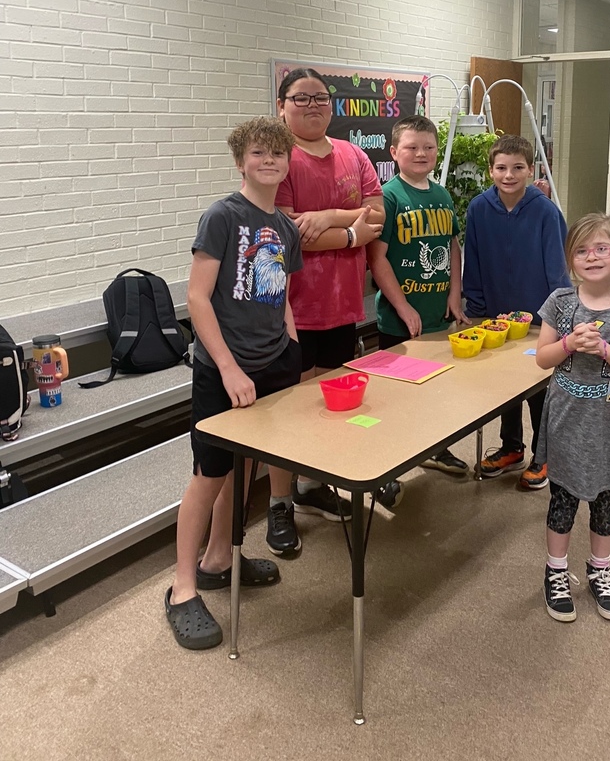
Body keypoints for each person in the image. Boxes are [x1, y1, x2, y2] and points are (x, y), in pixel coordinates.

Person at [165, 117, 303, 651]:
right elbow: (198, 298)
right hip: (224, 369)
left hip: (273, 364)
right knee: (209, 473)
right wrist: (227, 367)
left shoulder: (287, 230)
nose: (269, 161)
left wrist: (289, 350)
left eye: (277, 154)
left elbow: (282, 297)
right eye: (258, 153)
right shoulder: (222, 216)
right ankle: (183, 586)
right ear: (241, 160)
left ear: (287, 162)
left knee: (245, 468)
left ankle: (221, 556)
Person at [535, 213, 610, 623]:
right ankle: (555, 573)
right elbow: (542, 359)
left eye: (602, 248)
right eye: (581, 250)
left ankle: (599, 571)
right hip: (566, 421)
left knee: (606, 501)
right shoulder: (560, 302)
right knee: (563, 500)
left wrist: (605, 351)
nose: (592, 257)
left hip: (608, 427)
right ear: (571, 259)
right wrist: (570, 342)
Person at [276, 67, 385, 524]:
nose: (312, 105)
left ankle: (312, 486)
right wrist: (348, 234)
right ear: (282, 107)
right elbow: (286, 234)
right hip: (291, 312)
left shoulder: (352, 154)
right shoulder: (277, 158)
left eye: (320, 97)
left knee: (330, 404)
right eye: (300, 98)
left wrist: (327, 215)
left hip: (342, 306)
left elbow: (377, 216)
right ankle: (278, 505)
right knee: (289, 412)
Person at [367, 114, 471, 495]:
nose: (421, 153)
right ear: (395, 152)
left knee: (434, 390)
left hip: (437, 317)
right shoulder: (389, 196)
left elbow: (452, 247)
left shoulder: (442, 195)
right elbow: (376, 258)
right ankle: (386, 468)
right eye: (411, 147)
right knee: (393, 399)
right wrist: (403, 306)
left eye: (428, 146)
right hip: (400, 321)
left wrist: (454, 292)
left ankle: (435, 447)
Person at [462, 134, 569, 489]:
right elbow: (472, 262)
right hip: (495, 317)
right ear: (491, 169)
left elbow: (557, 269)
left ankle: (545, 454)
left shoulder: (545, 211)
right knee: (503, 385)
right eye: (501, 168)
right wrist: (476, 309)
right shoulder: (478, 208)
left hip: (539, 321)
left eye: (517, 168)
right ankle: (512, 447)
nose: (509, 175)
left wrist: (559, 317)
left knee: (538, 387)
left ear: (530, 169)